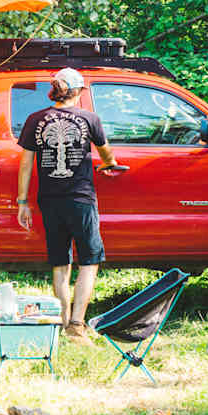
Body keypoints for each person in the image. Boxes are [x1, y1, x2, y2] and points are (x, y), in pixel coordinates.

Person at [16, 67, 125, 343]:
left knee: (60, 262)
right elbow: (106, 153)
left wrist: (22, 202)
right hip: (80, 198)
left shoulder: (34, 119)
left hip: (49, 200)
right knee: (89, 261)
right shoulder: (90, 119)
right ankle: (76, 326)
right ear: (76, 92)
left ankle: (63, 322)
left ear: (55, 91)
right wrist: (110, 164)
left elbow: (26, 164)